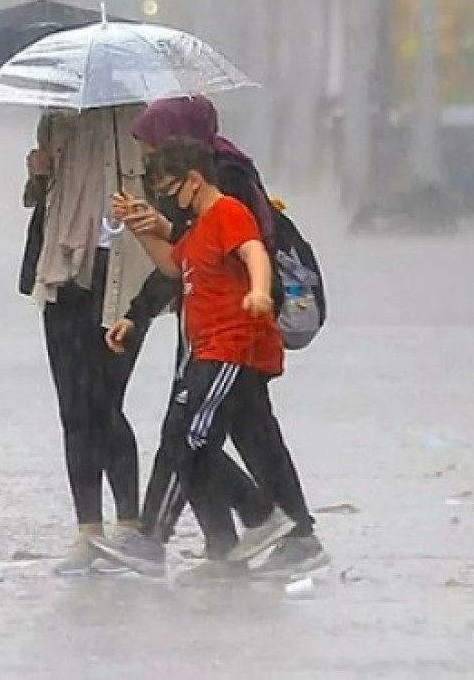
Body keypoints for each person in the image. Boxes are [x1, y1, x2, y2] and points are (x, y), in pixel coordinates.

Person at [93, 139, 328, 583]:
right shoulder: (198, 226)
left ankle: (259, 517)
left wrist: (258, 290)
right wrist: (139, 227)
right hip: (208, 349)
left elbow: (254, 252)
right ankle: (230, 542)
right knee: (191, 439)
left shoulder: (227, 212)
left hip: (229, 348)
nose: (167, 199)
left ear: (194, 181)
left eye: (170, 189)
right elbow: (173, 266)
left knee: (188, 439)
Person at [20, 105, 158, 576]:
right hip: (63, 273)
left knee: (105, 402)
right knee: (73, 408)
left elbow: (168, 201)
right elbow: (42, 202)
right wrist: (38, 176)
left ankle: (129, 524)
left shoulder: (142, 122)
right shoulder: (57, 119)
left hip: (124, 276)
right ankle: (88, 530)